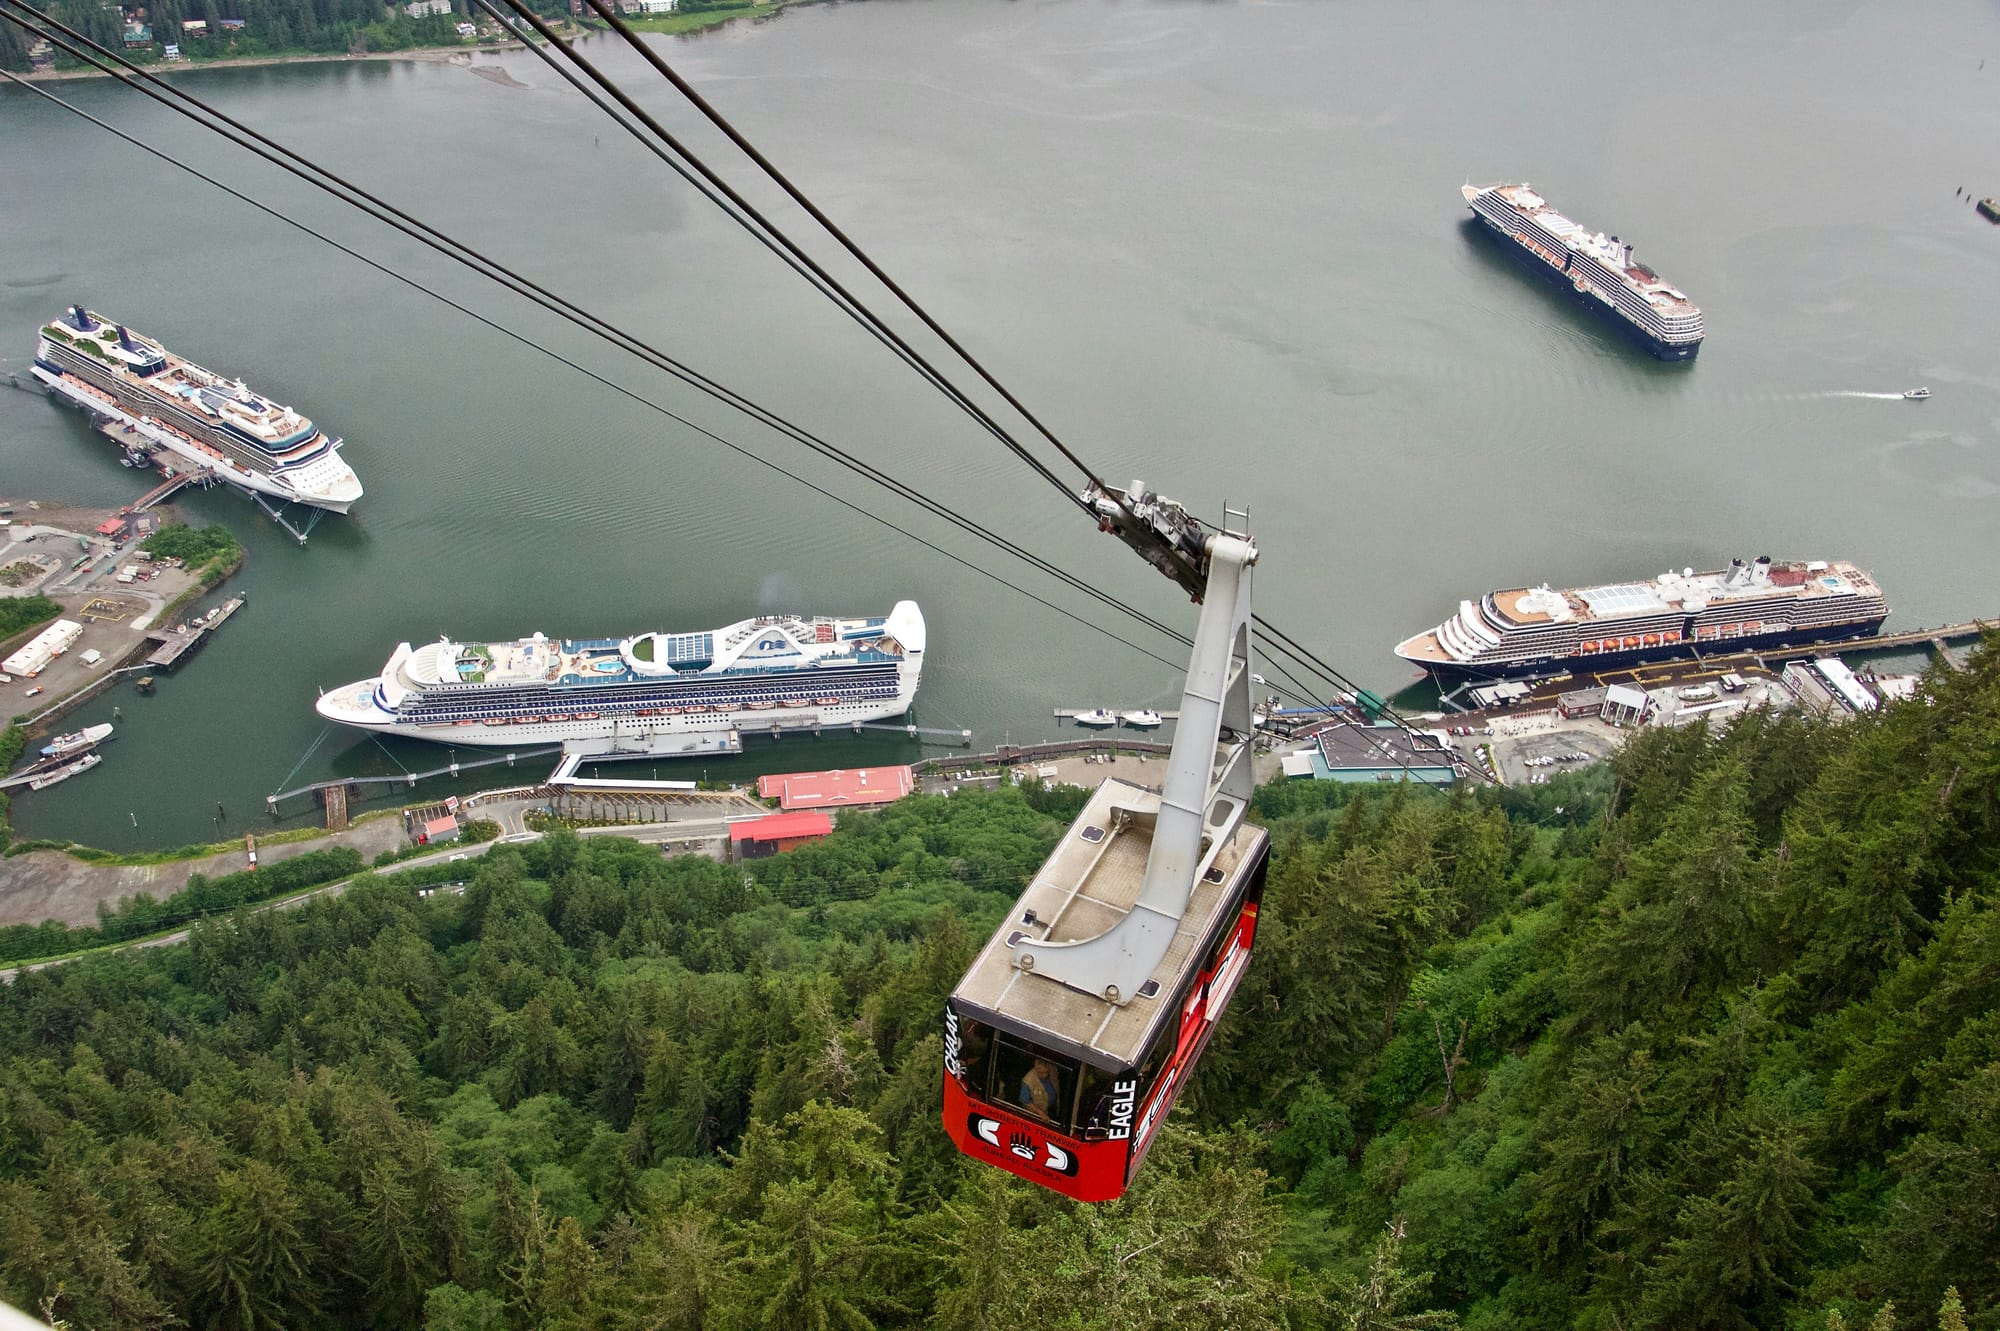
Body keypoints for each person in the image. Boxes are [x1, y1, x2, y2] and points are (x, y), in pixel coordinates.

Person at [1019, 1059, 1061, 1123]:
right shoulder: (1028, 1081)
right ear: (1036, 1069)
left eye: (1047, 1072)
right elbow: (1025, 1100)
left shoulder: (1053, 1070)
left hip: (1052, 1108)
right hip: (1039, 1115)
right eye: (1042, 1073)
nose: (1045, 1075)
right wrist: (1040, 1113)